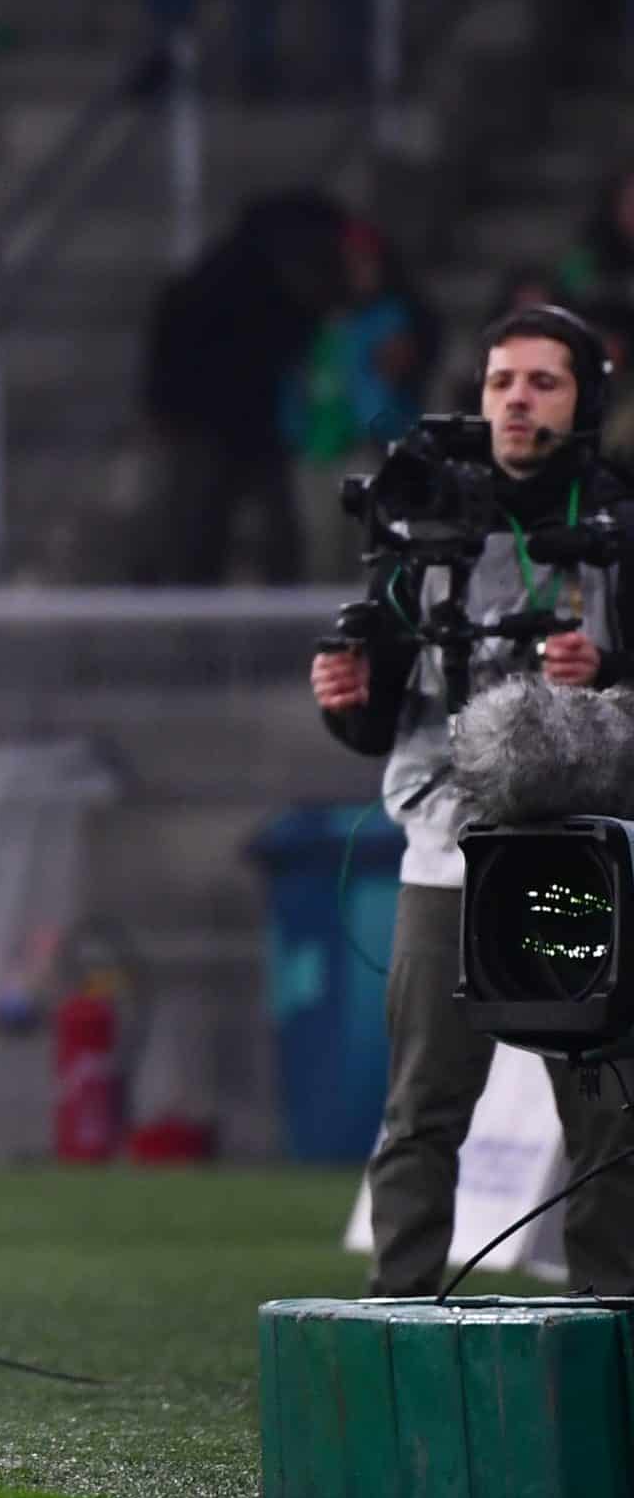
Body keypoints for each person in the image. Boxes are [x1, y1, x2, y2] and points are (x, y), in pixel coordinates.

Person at [309, 305, 634, 1297]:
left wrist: (607, 666)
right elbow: (388, 708)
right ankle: (393, 1332)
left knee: (605, 1115)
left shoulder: (619, 523)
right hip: (444, 848)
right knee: (421, 1107)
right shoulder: (427, 518)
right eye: (500, 382)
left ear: (584, 400)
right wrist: (345, 698)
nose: (517, 402)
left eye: (543, 381)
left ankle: (607, 1328)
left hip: (581, 856)